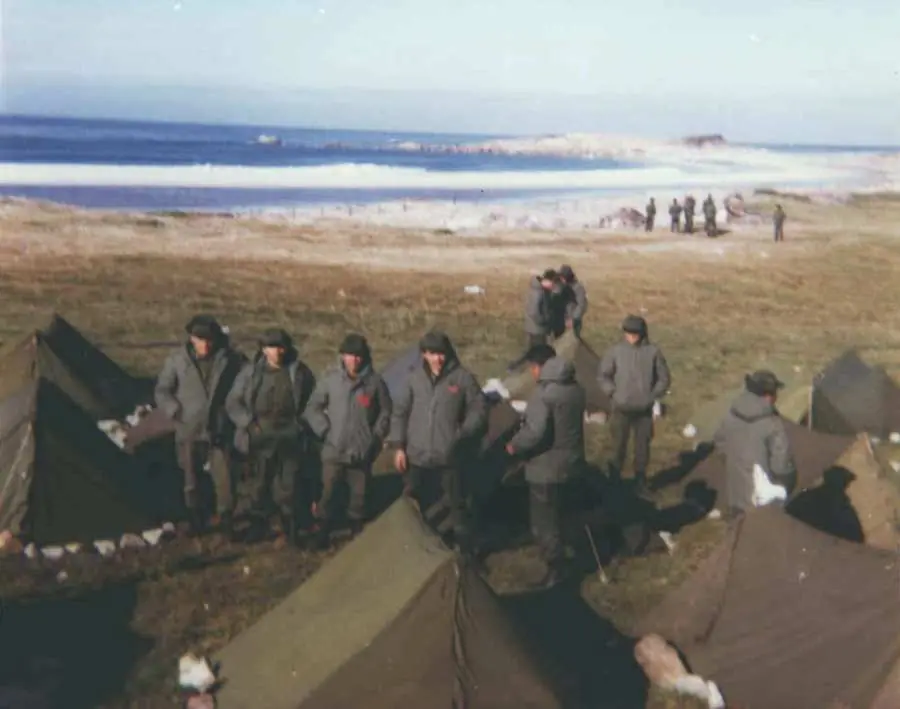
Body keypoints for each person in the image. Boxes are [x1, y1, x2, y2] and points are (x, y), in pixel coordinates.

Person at [390, 330, 488, 552]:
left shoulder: (462, 378)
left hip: (449, 454)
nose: (438, 359)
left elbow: (479, 408)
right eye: (432, 354)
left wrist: (464, 433)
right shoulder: (413, 378)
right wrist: (399, 447)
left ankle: (463, 549)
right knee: (413, 502)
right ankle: (411, 547)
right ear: (424, 354)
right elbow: (400, 413)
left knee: (457, 503)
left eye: (441, 354)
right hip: (417, 455)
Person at [225, 328, 316, 546]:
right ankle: (258, 526)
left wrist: (302, 424)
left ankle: (290, 530)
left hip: (289, 434)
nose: (276, 352)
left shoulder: (299, 372)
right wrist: (248, 424)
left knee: (288, 483)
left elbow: (313, 400)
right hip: (260, 433)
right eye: (271, 348)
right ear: (264, 350)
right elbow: (233, 402)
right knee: (257, 483)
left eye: (280, 347)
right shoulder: (250, 373)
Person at [155, 314, 245, 535]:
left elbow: (245, 381)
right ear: (191, 339)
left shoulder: (228, 360)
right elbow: (162, 390)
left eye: (209, 340)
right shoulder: (177, 360)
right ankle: (196, 520)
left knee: (224, 478)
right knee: (190, 478)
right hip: (189, 428)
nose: (205, 345)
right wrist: (174, 410)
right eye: (200, 340)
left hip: (218, 428)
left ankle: (226, 520)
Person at [505, 344, 586, 589]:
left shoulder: (544, 394)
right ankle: (569, 554)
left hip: (546, 468)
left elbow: (536, 432)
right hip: (572, 463)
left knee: (543, 523)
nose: (531, 372)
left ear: (539, 367)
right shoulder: (575, 388)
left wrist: (514, 445)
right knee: (563, 514)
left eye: (532, 367)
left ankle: (556, 569)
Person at [304, 333, 392, 548]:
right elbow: (312, 407)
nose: (354, 360)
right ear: (342, 356)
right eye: (350, 355)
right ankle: (322, 532)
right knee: (328, 490)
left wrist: (376, 436)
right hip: (334, 448)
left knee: (359, 494)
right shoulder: (331, 380)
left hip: (361, 450)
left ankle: (356, 532)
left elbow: (386, 411)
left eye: (358, 356)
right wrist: (324, 430)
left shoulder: (374, 383)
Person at [598, 315, 671, 491]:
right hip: (621, 407)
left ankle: (640, 479)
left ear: (642, 334)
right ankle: (614, 480)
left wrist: (653, 395)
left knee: (642, 447)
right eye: (628, 333)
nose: (631, 337)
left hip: (644, 410)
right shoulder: (615, 351)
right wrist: (613, 392)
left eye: (635, 334)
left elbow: (664, 378)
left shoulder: (653, 352)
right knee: (618, 445)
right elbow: (603, 375)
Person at [713, 370, 797, 520]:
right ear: (768, 395)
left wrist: (735, 464)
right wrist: (788, 481)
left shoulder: (732, 414)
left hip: (735, 491)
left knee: (738, 526)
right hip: (761, 497)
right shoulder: (772, 423)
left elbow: (720, 442)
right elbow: (781, 463)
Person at [509, 269, 561, 371]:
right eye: (553, 283)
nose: (554, 286)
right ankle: (516, 368)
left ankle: (516, 367)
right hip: (536, 329)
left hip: (536, 328)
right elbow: (533, 312)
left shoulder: (542, 290)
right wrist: (545, 320)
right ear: (548, 280)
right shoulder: (538, 293)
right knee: (536, 353)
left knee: (531, 352)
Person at [558, 264, 588, 338]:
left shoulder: (578, 288)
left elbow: (581, 305)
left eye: (562, 277)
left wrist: (573, 319)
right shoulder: (561, 286)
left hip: (573, 321)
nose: (560, 279)